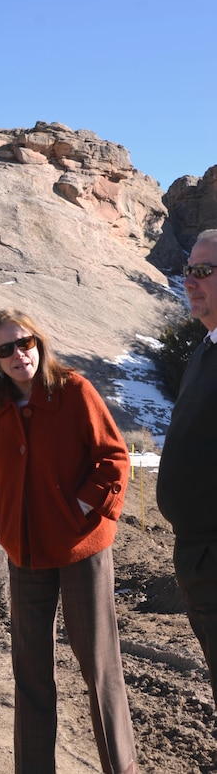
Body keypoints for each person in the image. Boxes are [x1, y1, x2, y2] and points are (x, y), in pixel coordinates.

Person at [0, 308, 137, 774]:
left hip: (82, 549)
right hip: (25, 555)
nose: (20, 354)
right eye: (6, 348)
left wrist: (79, 508)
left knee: (100, 672)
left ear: (40, 344)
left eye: (26, 343)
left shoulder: (75, 391)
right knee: (31, 675)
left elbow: (114, 458)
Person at [157, 228, 217, 709]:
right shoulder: (206, 348)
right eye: (187, 270)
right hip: (198, 558)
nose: (190, 281)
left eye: (204, 271)